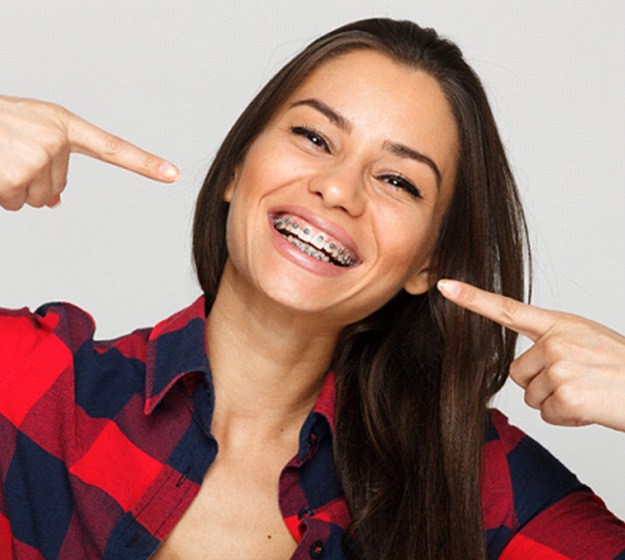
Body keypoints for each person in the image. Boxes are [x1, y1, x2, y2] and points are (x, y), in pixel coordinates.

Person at [1, 17, 625, 560]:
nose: (338, 189)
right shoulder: (35, 384)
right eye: (314, 138)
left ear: (427, 264)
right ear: (237, 165)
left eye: (398, 181)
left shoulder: (473, 482)